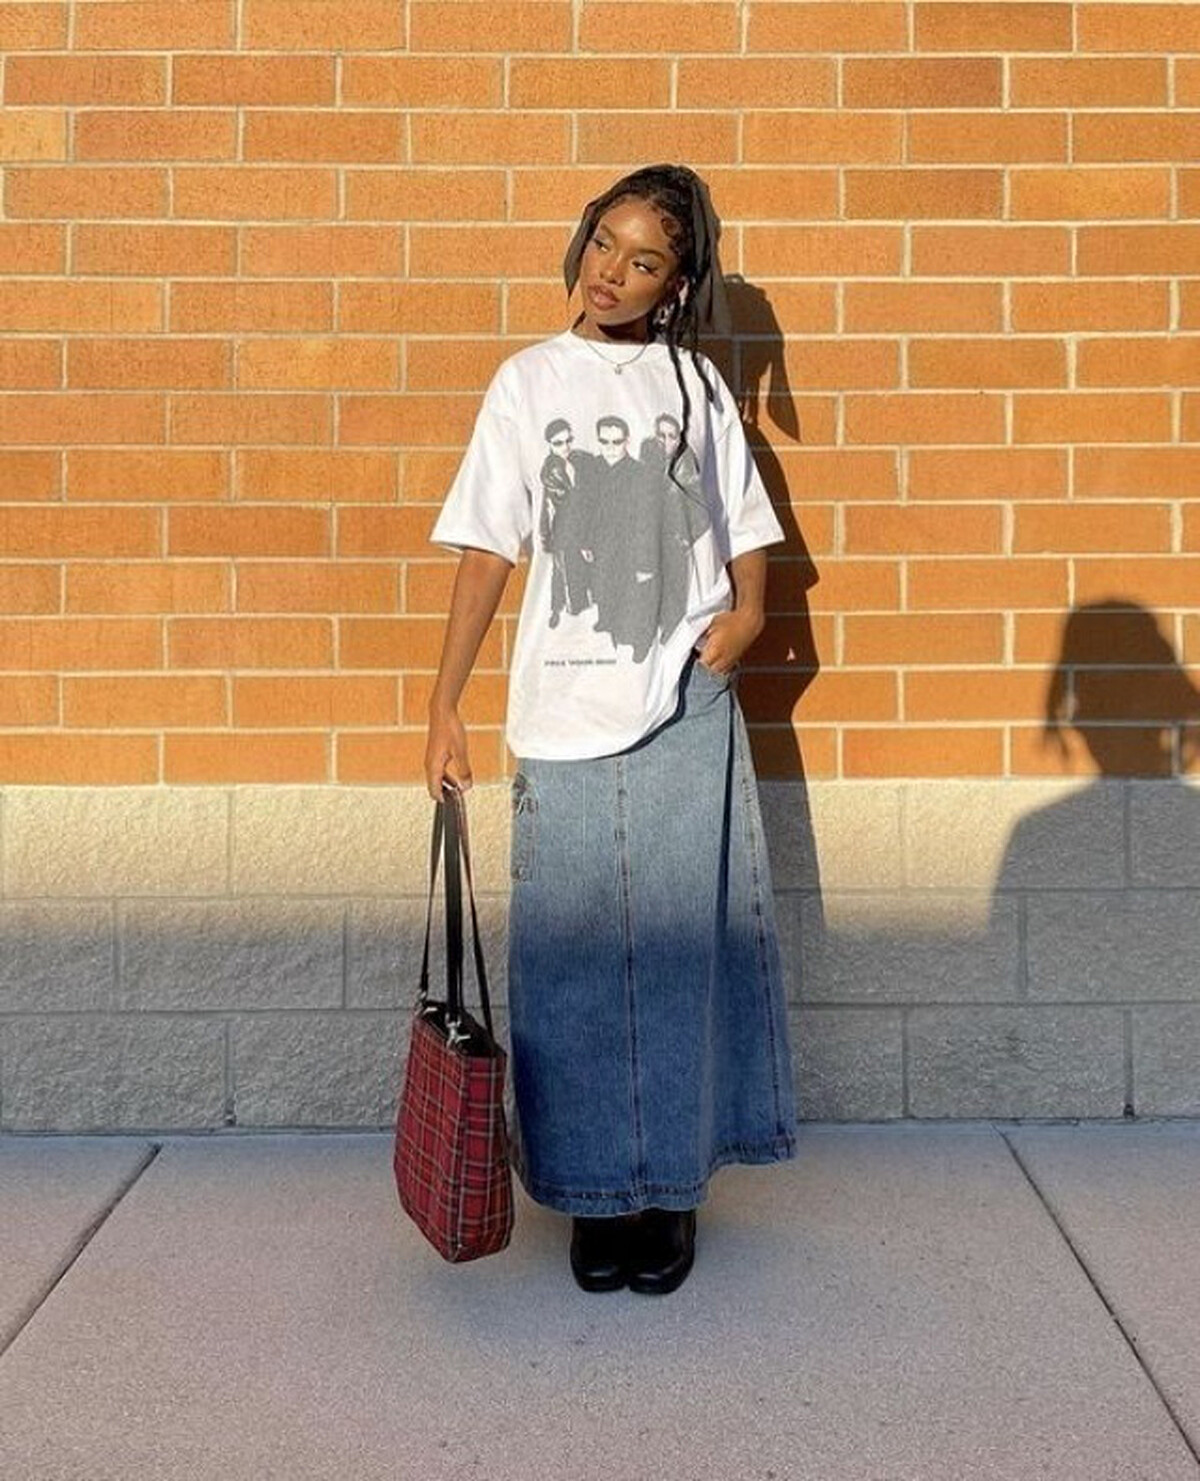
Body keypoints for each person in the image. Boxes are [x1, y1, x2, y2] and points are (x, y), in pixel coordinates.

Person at [423, 164, 797, 1297]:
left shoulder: (694, 384)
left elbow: (746, 529)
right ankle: (593, 1196)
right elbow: (487, 549)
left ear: (675, 284)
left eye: (644, 261)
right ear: (582, 239)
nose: (612, 273)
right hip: (563, 710)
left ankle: (670, 1190)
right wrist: (444, 702)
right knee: (571, 964)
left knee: (682, 957)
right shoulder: (527, 380)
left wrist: (746, 618)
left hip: (683, 707)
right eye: (603, 243)